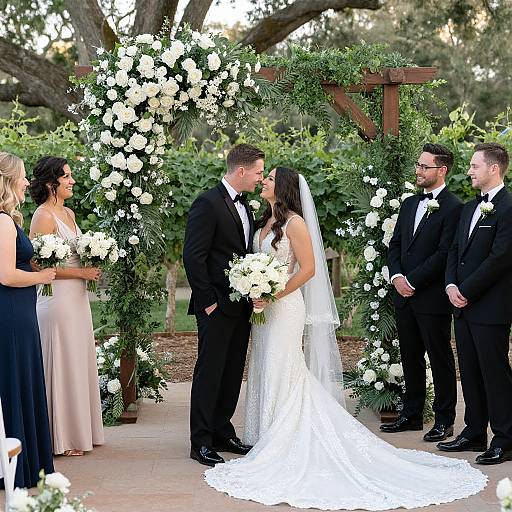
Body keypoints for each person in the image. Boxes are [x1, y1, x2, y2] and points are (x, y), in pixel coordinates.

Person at [204, 167, 487, 510]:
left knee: (283, 365)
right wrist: (254, 286)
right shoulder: (265, 219)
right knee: (264, 364)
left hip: (284, 306)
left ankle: (283, 436)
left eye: (269, 178)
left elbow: (307, 269)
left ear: (283, 187)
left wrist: (273, 292)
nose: (263, 181)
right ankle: (264, 434)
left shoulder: (294, 222)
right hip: (263, 309)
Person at [183, 144, 264, 466]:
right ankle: (200, 441)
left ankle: (222, 431)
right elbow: (194, 256)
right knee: (210, 373)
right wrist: (209, 304)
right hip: (216, 306)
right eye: (258, 172)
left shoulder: (247, 205)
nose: (260, 178)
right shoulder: (207, 203)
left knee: (232, 373)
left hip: (242, 305)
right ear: (241, 171)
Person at [383, 143, 462, 441]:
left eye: (424, 166)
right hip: (403, 296)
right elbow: (396, 245)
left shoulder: (455, 208)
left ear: (441, 170)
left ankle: (445, 420)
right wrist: (397, 276)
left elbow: (444, 254)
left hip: (431, 298)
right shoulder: (409, 204)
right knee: (410, 356)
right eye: (418, 164)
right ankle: (411, 414)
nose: (418, 170)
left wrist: (412, 280)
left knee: (440, 358)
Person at [439, 142, 512, 464]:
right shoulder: (469, 208)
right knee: (468, 370)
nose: (468, 171)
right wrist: (452, 285)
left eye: (474, 166)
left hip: (491, 306)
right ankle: (473, 432)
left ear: (493, 169)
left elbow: (500, 258)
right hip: (463, 304)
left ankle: (505, 438)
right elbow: (455, 250)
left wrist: (466, 289)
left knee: (494, 373)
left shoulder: (509, 208)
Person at [29, 156, 104, 457]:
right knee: (61, 362)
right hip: (56, 298)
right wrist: (81, 273)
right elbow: (37, 263)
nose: (72, 181)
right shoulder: (43, 216)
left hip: (77, 298)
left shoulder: (69, 213)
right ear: (51, 183)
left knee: (77, 360)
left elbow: (72, 253)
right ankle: (60, 437)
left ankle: (79, 432)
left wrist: (95, 258)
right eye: (67, 177)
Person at [0, 152, 55, 488]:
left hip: (18, 312)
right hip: (11, 314)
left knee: (19, 380)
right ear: (8, 180)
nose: (26, 182)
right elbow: (5, 275)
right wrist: (42, 276)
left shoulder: (9, 219)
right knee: (14, 382)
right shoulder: (4, 222)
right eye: (21, 176)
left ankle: (24, 462)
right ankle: (18, 467)